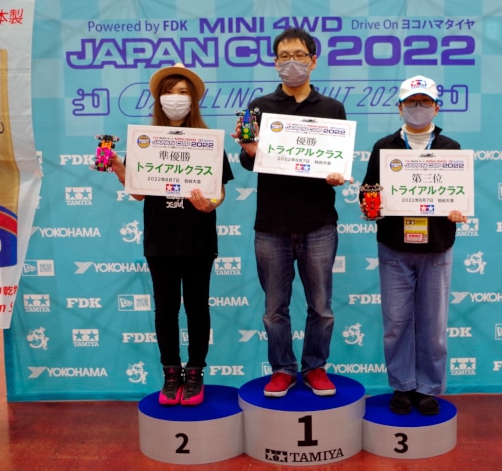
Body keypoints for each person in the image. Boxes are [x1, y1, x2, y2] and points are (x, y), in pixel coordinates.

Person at [234, 28, 349, 398]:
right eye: (284, 56)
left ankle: (315, 367)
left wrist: (337, 174)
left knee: (322, 307)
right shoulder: (258, 107)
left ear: (313, 60)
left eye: (299, 55)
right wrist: (249, 151)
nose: (291, 63)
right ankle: (282, 369)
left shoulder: (331, 108)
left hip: (319, 223)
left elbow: (338, 161)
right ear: (275, 63)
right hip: (272, 224)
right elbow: (248, 162)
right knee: (274, 309)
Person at [111, 63, 234, 406]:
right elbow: (138, 192)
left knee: (197, 308)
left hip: (198, 239)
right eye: (169, 92)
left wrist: (210, 204)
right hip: (160, 239)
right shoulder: (145, 141)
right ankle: (170, 373)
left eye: (182, 93)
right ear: (158, 99)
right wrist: (119, 169)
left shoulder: (209, 142)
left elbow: (219, 192)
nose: (175, 99)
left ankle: (195, 372)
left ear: (193, 100)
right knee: (165, 310)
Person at [360, 75, 468, 415]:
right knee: (396, 324)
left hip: (437, 247)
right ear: (399, 108)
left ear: (436, 108)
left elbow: (460, 195)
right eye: (411, 102)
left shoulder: (451, 148)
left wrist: (458, 210)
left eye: (424, 102)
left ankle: (428, 387)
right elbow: (368, 190)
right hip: (394, 246)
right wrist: (369, 206)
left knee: (433, 327)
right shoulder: (384, 147)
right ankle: (403, 385)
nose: (417, 108)